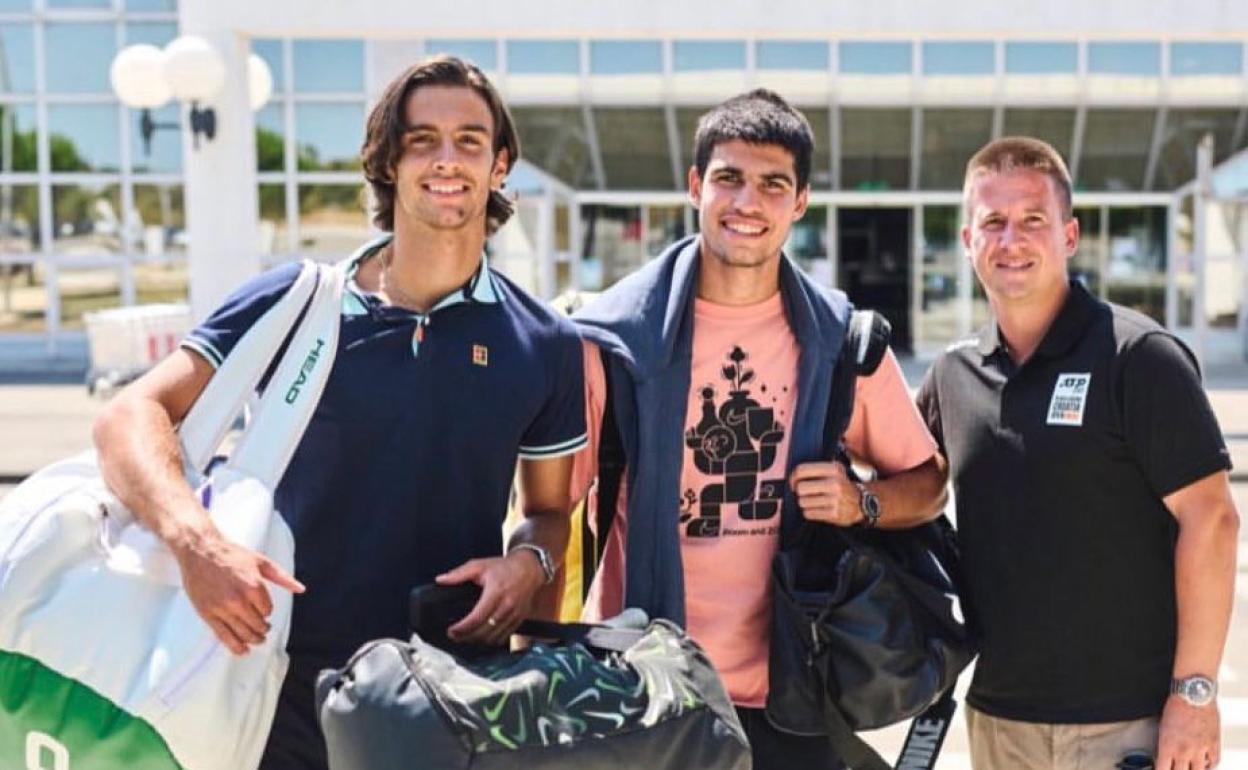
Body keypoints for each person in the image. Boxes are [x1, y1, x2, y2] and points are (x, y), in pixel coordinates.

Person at [93, 55, 586, 770]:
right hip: (276, 690)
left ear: (500, 165)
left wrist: (528, 563)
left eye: (470, 141)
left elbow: (549, 514)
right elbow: (129, 414)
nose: (447, 159)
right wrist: (196, 543)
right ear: (388, 161)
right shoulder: (296, 303)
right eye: (422, 140)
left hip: (450, 697)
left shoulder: (545, 342)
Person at [568, 89, 948, 770]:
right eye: (728, 179)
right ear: (694, 187)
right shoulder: (613, 343)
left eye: (773, 184)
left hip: (794, 691)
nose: (748, 202)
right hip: (647, 689)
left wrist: (863, 502)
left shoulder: (843, 345)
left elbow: (928, 485)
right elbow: (550, 509)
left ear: (800, 202)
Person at [915, 136, 1240, 770]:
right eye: (994, 223)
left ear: (1068, 236)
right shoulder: (954, 375)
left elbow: (1214, 521)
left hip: (1128, 726)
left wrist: (1194, 697)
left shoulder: (1137, 357)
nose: (1012, 240)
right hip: (999, 721)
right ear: (967, 241)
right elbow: (910, 483)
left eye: (1033, 220)